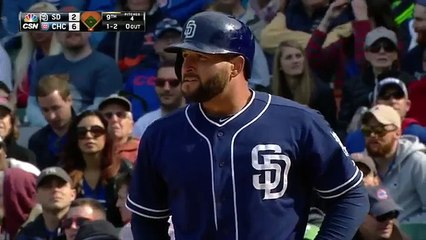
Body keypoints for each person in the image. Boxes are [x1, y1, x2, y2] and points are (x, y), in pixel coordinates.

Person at [127, 11, 369, 239]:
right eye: (185, 56)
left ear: (236, 66)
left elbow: (351, 196)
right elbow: (147, 219)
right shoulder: (161, 135)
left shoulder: (298, 122)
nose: (187, 66)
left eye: (201, 57)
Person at [61, 110, 132, 227]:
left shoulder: (125, 171)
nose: (89, 136)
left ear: (106, 135)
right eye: (81, 132)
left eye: (96, 131)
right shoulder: (64, 174)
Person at [361, 104, 426, 223]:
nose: (372, 135)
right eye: (367, 130)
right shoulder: (359, 165)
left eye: (380, 130)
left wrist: (399, 229)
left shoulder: (419, 162)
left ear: (398, 132)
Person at [16, 167, 76, 240]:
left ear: (73, 194)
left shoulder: (82, 229)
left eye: (60, 185)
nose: (55, 190)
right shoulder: (26, 235)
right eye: (47, 186)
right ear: (36, 196)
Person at [29, 74, 75, 169]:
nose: (51, 116)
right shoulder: (36, 141)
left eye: (56, 108)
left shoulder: (86, 133)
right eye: (45, 110)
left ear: (69, 100)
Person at [133, 61, 186, 138]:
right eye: (160, 82)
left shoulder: (198, 122)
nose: (166, 88)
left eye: (174, 83)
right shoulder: (143, 124)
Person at [98, 94, 139, 164]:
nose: (114, 119)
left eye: (120, 114)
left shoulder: (144, 149)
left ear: (131, 125)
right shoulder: (94, 150)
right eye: (108, 115)